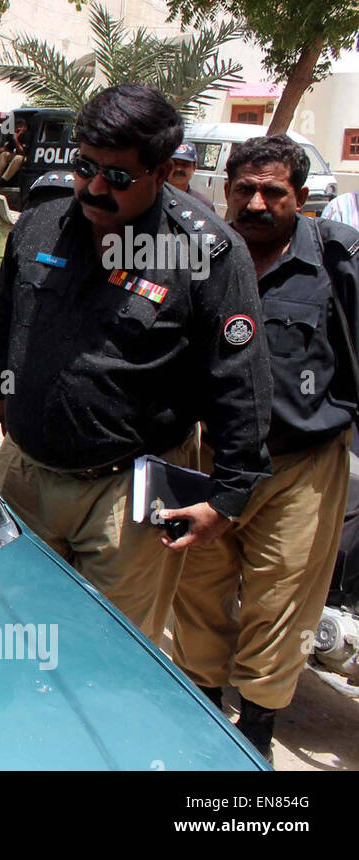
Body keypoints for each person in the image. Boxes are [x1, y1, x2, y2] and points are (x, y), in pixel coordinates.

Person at [0, 84, 272, 645]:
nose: (93, 187)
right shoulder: (41, 225)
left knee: (107, 652)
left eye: (117, 176)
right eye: (85, 167)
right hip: (28, 475)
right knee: (11, 629)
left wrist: (229, 496)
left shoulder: (206, 252)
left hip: (128, 496)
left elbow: (241, 378)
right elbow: (8, 313)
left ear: (162, 174)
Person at [170, 135, 359, 762]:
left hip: (299, 466)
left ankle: (254, 738)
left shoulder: (335, 262)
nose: (256, 202)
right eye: (243, 189)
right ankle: (200, 719)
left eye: (272, 191)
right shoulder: (195, 258)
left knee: (282, 601)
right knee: (197, 589)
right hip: (207, 459)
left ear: (300, 198)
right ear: (225, 191)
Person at [169, 142, 215, 211]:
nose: (179, 169)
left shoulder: (204, 205)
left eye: (185, 164)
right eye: (174, 163)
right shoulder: (152, 199)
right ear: (166, 166)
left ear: (194, 167)